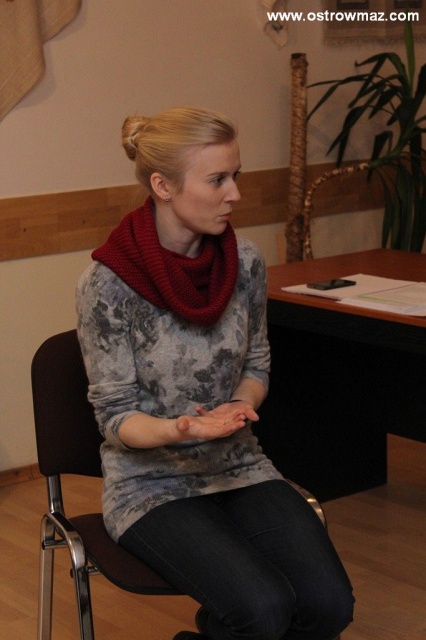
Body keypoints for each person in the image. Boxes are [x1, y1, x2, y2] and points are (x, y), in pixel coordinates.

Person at [76, 106, 354, 640]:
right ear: (163, 185)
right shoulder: (107, 284)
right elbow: (115, 418)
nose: (236, 194)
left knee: (328, 605)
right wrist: (180, 428)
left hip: (240, 467)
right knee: (262, 609)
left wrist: (241, 402)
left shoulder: (245, 262)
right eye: (218, 179)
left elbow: (257, 363)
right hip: (150, 486)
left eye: (236, 176)